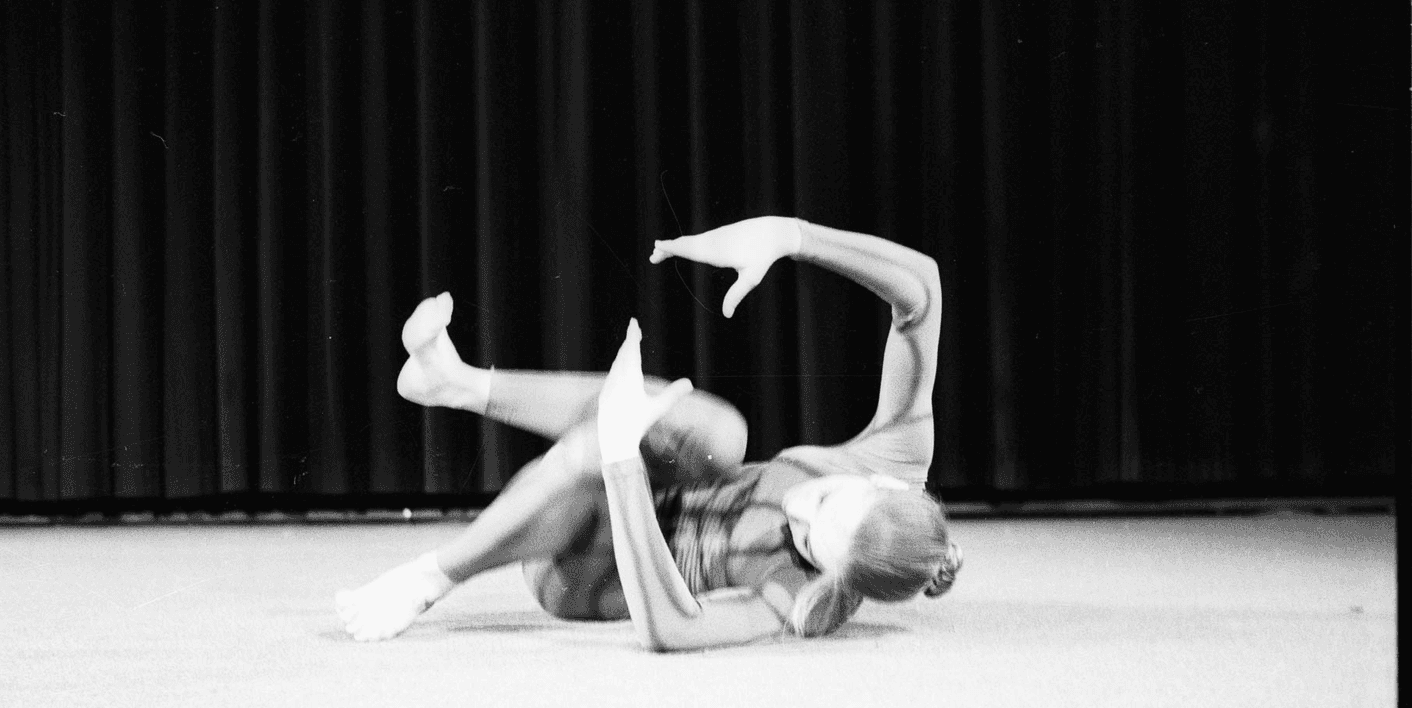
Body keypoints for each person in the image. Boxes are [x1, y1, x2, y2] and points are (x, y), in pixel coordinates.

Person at [335, 216, 962, 650]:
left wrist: (620, 462)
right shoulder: (898, 453)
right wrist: (789, 236)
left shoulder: (807, 599)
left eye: (808, 542)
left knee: (594, 452)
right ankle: (458, 382)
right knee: (720, 432)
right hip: (645, 491)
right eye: (824, 500)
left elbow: (671, 629)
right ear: (881, 483)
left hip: (591, 575)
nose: (796, 511)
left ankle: (431, 577)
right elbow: (923, 295)